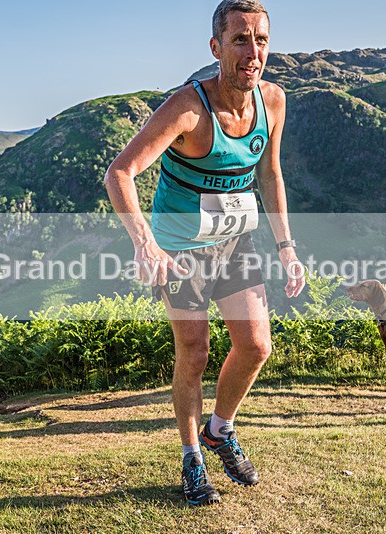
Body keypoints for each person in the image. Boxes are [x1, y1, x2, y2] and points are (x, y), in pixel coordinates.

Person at [104, 0, 304, 506]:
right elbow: (120, 173)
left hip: (236, 241)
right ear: (216, 47)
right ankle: (193, 458)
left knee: (257, 346)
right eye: (240, 39)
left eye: (261, 39)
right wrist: (144, 243)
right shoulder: (188, 108)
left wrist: (287, 247)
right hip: (180, 248)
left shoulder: (274, 101)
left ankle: (220, 428)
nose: (253, 51)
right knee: (195, 352)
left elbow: (270, 174)